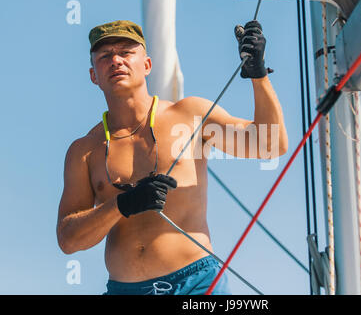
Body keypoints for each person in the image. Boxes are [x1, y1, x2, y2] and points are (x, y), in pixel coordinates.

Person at [57, 20, 288, 295]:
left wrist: (258, 75)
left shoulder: (190, 116)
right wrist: (121, 205)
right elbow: (68, 240)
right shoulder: (84, 151)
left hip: (197, 284)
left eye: (126, 52)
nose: (116, 60)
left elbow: (269, 144)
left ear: (147, 65)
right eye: (105, 56)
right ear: (94, 75)